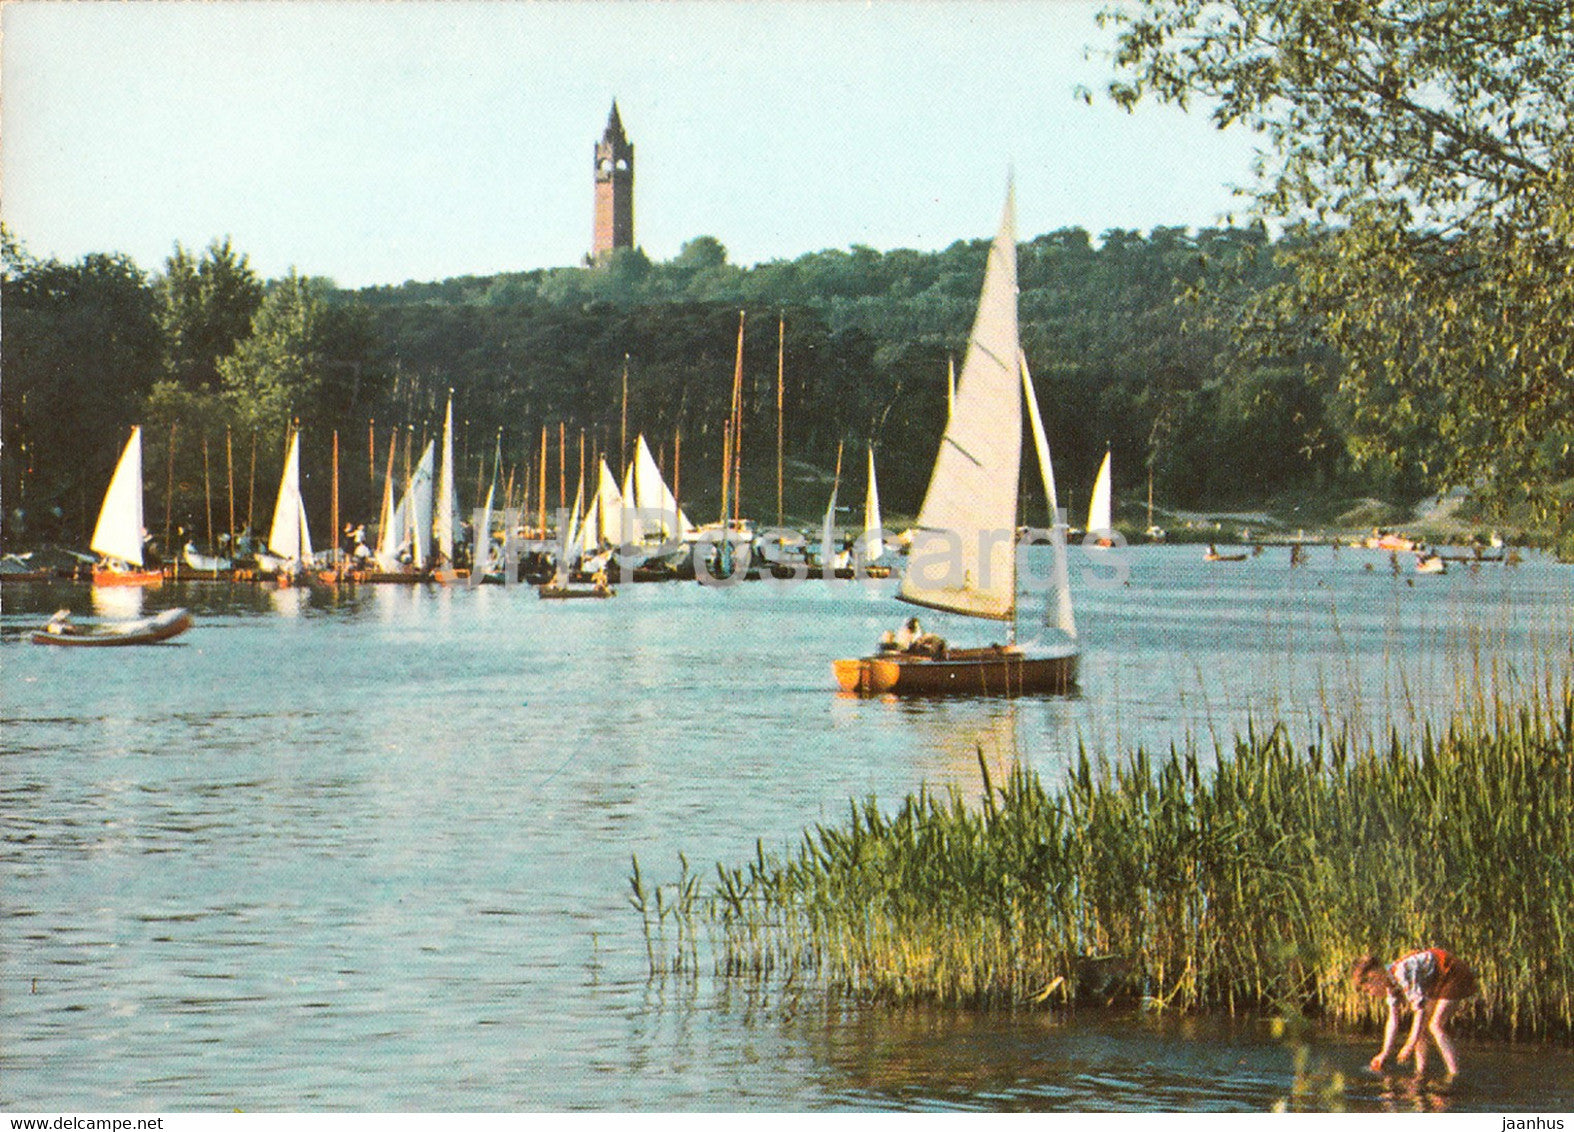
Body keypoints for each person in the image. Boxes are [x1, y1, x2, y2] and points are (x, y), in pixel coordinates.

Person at [1351, 949, 1478, 1078]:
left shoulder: (1400, 973)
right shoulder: (1390, 983)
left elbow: (1420, 1011)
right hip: (1437, 979)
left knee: (1435, 1025)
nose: (1371, 994)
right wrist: (1384, 1053)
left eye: (1368, 989)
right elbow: (1393, 1020)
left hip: (1452, 972)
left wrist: (1409, 1045)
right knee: (1420, 1030)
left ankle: (1454, 1075)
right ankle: (1420, 1073)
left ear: (1375, 976)